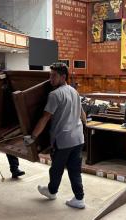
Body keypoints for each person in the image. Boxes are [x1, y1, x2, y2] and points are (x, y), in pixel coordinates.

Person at [28, 62, 86, 209]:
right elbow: (82, 113)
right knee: (74, 169)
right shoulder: (74, 91)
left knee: (56, 168)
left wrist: (33, 137)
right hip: (78, 138)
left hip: (63, 139)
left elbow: (45, 117)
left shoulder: (54, 94)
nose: (50, 78)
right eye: (50, 75)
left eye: (54, 76)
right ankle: (79, 198)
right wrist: (85, 124)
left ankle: (52, 191)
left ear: (63, 77)